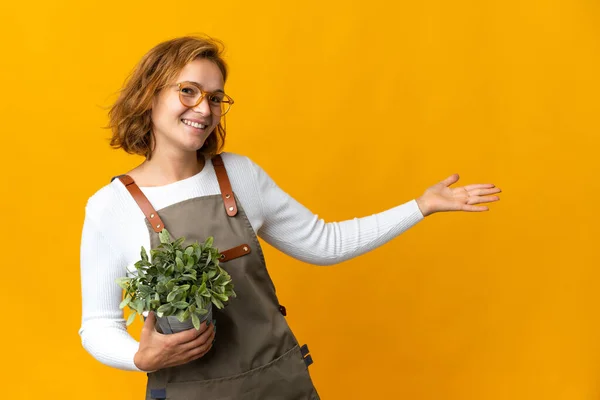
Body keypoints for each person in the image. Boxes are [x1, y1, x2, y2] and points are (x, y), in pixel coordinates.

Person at [78, 35, 501, 400]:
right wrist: (140, 357)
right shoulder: (110, 207)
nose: (204, 109)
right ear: (149, 94)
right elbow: (98, 326)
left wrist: (420, 206)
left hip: (279, 384)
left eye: (215, 97)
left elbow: (324, 244)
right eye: (188, 91)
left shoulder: (239, 175)